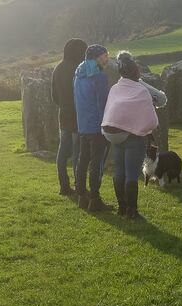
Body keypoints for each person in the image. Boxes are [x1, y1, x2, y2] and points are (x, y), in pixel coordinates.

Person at [101, 52, 167, 219]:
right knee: (131, 174)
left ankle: (122, 208)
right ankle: (132, 211)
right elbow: (152, 121)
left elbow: (112, 112)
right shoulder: (141, 91)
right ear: (136, 71)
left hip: (114, 136)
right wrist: (139, 129)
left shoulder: (114, 89)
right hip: (133, 139)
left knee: (119, 172)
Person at [73, 44, 111, 211]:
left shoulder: (78, 74)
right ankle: (95, 200)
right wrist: (106, 125)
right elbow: (102, 103)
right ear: (96, 58)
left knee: (83, 160)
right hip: (96, 125)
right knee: (97, 162)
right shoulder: (99, 77)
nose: (107, 58)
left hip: (82, 123)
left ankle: (81, 196)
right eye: (104, 55)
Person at [51, 38, 87, 196]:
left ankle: (64, 186)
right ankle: (79, 187)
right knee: (78, 152)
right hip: (78, 114)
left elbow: (54, 97)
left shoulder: (57, 68)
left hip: (64, 114)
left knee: (63, 151)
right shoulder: (79, 69)